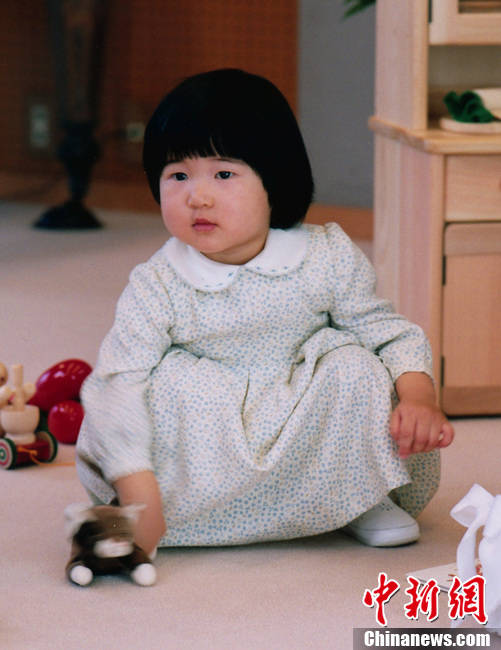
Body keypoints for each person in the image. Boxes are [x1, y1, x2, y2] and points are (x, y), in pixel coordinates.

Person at [76, 68, 454, 557]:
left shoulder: (325, 257)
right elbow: (117, 383)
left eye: (224, 174)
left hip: (305, 423)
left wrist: (419, 398)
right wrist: (135, 486)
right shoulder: (157, 283)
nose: (198, 197)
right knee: (151, 388)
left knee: (355, 367)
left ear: (274, 179)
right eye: (178, 175)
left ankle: (359, 496)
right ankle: (164, 510)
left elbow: (388, 334)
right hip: (210, 438)